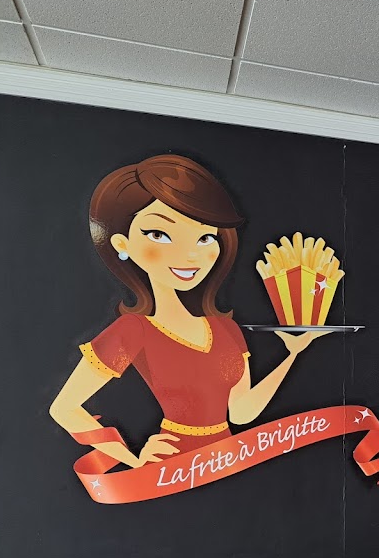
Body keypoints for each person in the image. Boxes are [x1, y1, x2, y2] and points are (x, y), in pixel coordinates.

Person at [50, 154, 322, 469]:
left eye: (205, 237)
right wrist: (132, 457)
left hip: (228, 462)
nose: (190, 254)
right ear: (122, 244)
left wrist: (292, 354)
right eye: (159, 234)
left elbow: (242, 413)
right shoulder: (134, 330)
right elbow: (64, 408)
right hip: (172, 469)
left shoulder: (225, 329)